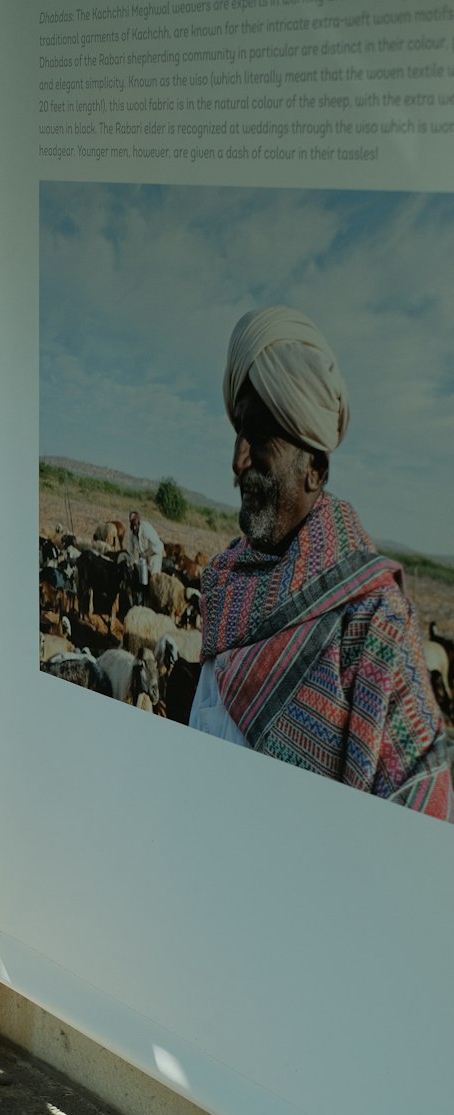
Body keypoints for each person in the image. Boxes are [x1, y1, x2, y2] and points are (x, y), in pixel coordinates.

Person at [190, 305, 453, 821]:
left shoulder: (375, 626)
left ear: (315, 468)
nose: (238, 461)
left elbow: (420, 821)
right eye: (238, 433)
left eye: (260, 437)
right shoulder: (227, 585)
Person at [124, 509, 164, 603]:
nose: (134, 527)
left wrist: (147, 555)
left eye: (135, 524)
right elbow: (131, 550)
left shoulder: (146, 529)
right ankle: (142, 600)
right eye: (132, 524)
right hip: (144, 558)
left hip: (154, 555)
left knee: (153, 580)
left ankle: (152, 602)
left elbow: (157, 546)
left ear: (138, 521)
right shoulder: (132, 535)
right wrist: (132, 562)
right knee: (142, 579)